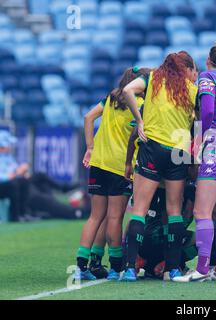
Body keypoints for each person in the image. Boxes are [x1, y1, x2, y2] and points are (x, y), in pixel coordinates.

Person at [122, 52, 198, 281]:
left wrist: (141, 120)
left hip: (152, 147)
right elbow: (202, 118)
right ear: (185, 69)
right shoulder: (191, 89)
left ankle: (129, 268)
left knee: (140, 210)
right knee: (174, 210)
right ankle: (172, 269)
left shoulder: (152, 78)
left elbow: (127, 91)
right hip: (179, 151)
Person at [74, 67, 150, 281]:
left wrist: (90, 147)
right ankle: (117, 266)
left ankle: (81, 265)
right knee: (115, 217)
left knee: (95, 216)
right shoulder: (141, 105)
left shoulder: (110, 99)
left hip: (98, 162)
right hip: (120, 167)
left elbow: (88, 117)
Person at [175, 43, 216, 282]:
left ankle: (202, 269)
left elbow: (208, 110)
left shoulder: (207, 76)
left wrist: (201, 135)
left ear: (208, 60)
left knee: (201, 211)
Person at [0, 130, 85, 222]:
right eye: (8, 145)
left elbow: (15, 172)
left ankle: (62, 188)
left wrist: (22, 173)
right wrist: (17, 173)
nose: (10, 147)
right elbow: (5, 177)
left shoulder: (8, 157)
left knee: (40, 176)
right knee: (17, 184)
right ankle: (18, 215)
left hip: (18, 182)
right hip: (9, 185)